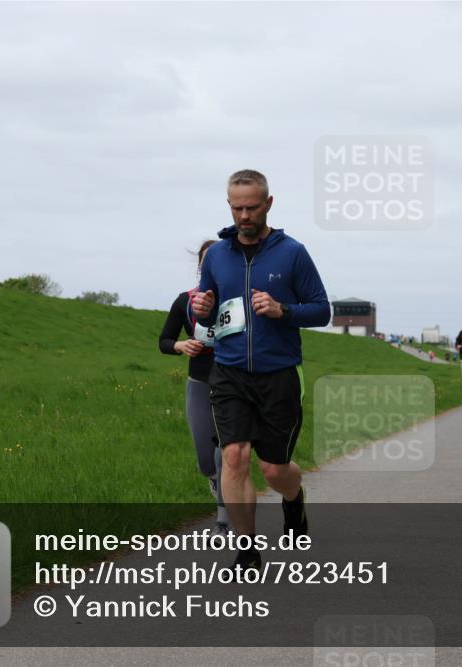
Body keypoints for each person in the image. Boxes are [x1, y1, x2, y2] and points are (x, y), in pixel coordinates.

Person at [192, 169, 330, 569]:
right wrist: (204, 308)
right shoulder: (217, 255)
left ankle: (293, 498)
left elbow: (321, 310)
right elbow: (209, 309)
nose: (244, 216)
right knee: (234, 456)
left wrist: (282, 309)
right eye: (237, 208)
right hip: (229, 371)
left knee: (273, 469)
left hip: (279, 373)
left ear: (268, 204)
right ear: (229, 205)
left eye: (252, 208)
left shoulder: (293, 253)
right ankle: (247, 550)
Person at [159, 240, 228, 535]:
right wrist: (181, 345)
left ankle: (223, 520)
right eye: (206, 260)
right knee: (206, 460)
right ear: (200, 266)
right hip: (198, 383)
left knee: (224, 453)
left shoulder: (237, 301)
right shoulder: (185, 301)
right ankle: (214, 480)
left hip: (232, 385)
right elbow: (164, 341)